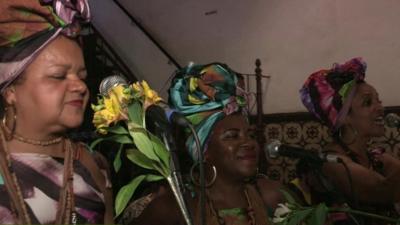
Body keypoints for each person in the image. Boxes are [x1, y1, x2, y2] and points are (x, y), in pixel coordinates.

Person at [0, 0, 113, 224]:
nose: (80, 87)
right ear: (10, 90)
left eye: (82, 77)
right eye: (59, 76)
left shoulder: (92, 164)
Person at [130, 63, 282, 225]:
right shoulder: (174, 208)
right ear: (203, 149)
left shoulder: (269, 196)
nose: (248, 143)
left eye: (250, 135)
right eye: (232, 136)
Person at [299, 57, 400, 224]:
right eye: (368, 102)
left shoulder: (375, 157)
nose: (381, 108)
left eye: (378, 100)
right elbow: (384, 191)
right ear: (343, 117)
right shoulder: (332, 163)